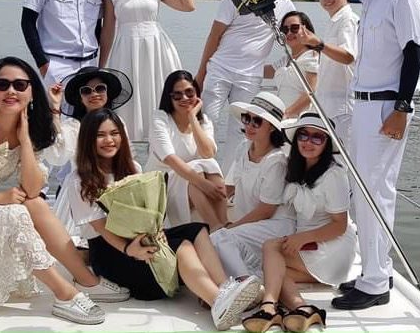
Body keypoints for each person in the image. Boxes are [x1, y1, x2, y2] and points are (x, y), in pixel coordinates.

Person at [68, 108, 261, 330]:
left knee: (196, 229)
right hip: (112, 252)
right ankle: (218, 301)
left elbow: (147, 209)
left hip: (141, 237)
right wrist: (130, 249)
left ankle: (225, 288)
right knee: (182, 246)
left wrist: (156, 230)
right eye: (100, 135)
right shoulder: (80, 180)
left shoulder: (132, 168)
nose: (109, 140)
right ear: (88, 140)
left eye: (114, 133)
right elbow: (101, 227)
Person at [331, 0, 420, 310]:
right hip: (364, 106)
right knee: (363, 193)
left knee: (376, 194)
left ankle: (375, 283)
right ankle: (375, 272)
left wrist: (402, 109)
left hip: (387, 107)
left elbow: (414, 53)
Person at [0, 57, 130, 306]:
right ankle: (65, 294)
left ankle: (85, 279)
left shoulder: (28, 129)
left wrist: (24, 139)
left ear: (32, 92)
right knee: (13, 213)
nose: (11, 91)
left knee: (34, 202)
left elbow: (32, 189)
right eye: (3, 84)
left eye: (20, 85)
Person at [242, 112, 356, 333]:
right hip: (310, 244)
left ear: (327, 143)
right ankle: (302, 309)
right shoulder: (296, 167)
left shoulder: (334, 175)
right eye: (303, 135)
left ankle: (268, 306)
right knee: (270, 273)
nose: (308, 142)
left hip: (332, 245)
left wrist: (302, 238)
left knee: (271, 248)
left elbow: (340, 225)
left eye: (317, 137)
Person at [195, 0, 295, 174]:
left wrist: (275, 69)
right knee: (207, 122)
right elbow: (214, 35)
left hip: (250, 77)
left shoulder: (286, 5)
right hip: (220, 69)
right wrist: (201, 75)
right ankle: (201, 175)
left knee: (241, 131)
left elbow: (294, 43)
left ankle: (228, 182)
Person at [99, 0, 196, 141]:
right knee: (126, 99)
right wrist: (101, 66)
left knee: (159, 94)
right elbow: (108, 29)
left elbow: (188, 6)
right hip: (126, 47)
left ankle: (164, 145)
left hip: (156, 47)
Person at [210, 91, 294, 279]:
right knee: (213, 239)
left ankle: (244, 282)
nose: (249, 125)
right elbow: (228, 189)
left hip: (276, 225)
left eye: (257, 121)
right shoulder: (243, 147)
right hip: (250, 223)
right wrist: (220, 220)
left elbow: (266, 210)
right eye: (246, 118)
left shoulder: (277, 161)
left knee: (221, 238)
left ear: (272, 127)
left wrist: (232, 227)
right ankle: (236, 282)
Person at [51, 66, 132, 232]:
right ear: (80, 97)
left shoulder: (118, 122)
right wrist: (55, 109)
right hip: (82, 191)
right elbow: (57, 155)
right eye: (86, 90)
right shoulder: (73, 127)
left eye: (100, 88)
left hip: (117, 189)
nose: (94, 94)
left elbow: (127, 158)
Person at [145, 70, 225, 230]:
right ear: (169, 97)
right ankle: (216, 226)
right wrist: (203, 183)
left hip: (191, 184)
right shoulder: (160, 118)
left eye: (189, 92)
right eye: (177, 95)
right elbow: (170, 159)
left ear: (197, 94)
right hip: (161, 186)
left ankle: (224, 223)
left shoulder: (204, 121)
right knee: (197, 171)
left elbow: (208, 153)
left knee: (208, 164)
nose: (185, 98)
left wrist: (192, 118)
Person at [297, 0, 358, 149]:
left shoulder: (348, 20)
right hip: (328, 106)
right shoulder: (334, 21)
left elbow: (348, 56)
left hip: (342, 109)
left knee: (342, 159)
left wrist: (319, 44)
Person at [263, 11, 319, 118]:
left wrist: (286, 114)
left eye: (294, 28)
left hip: (299, 119)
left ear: (306, 29)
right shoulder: (286, 60)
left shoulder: (312, 57)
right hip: (282, 118)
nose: (289, 33)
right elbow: (264, 71)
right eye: (284, 29)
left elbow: (311, 91)